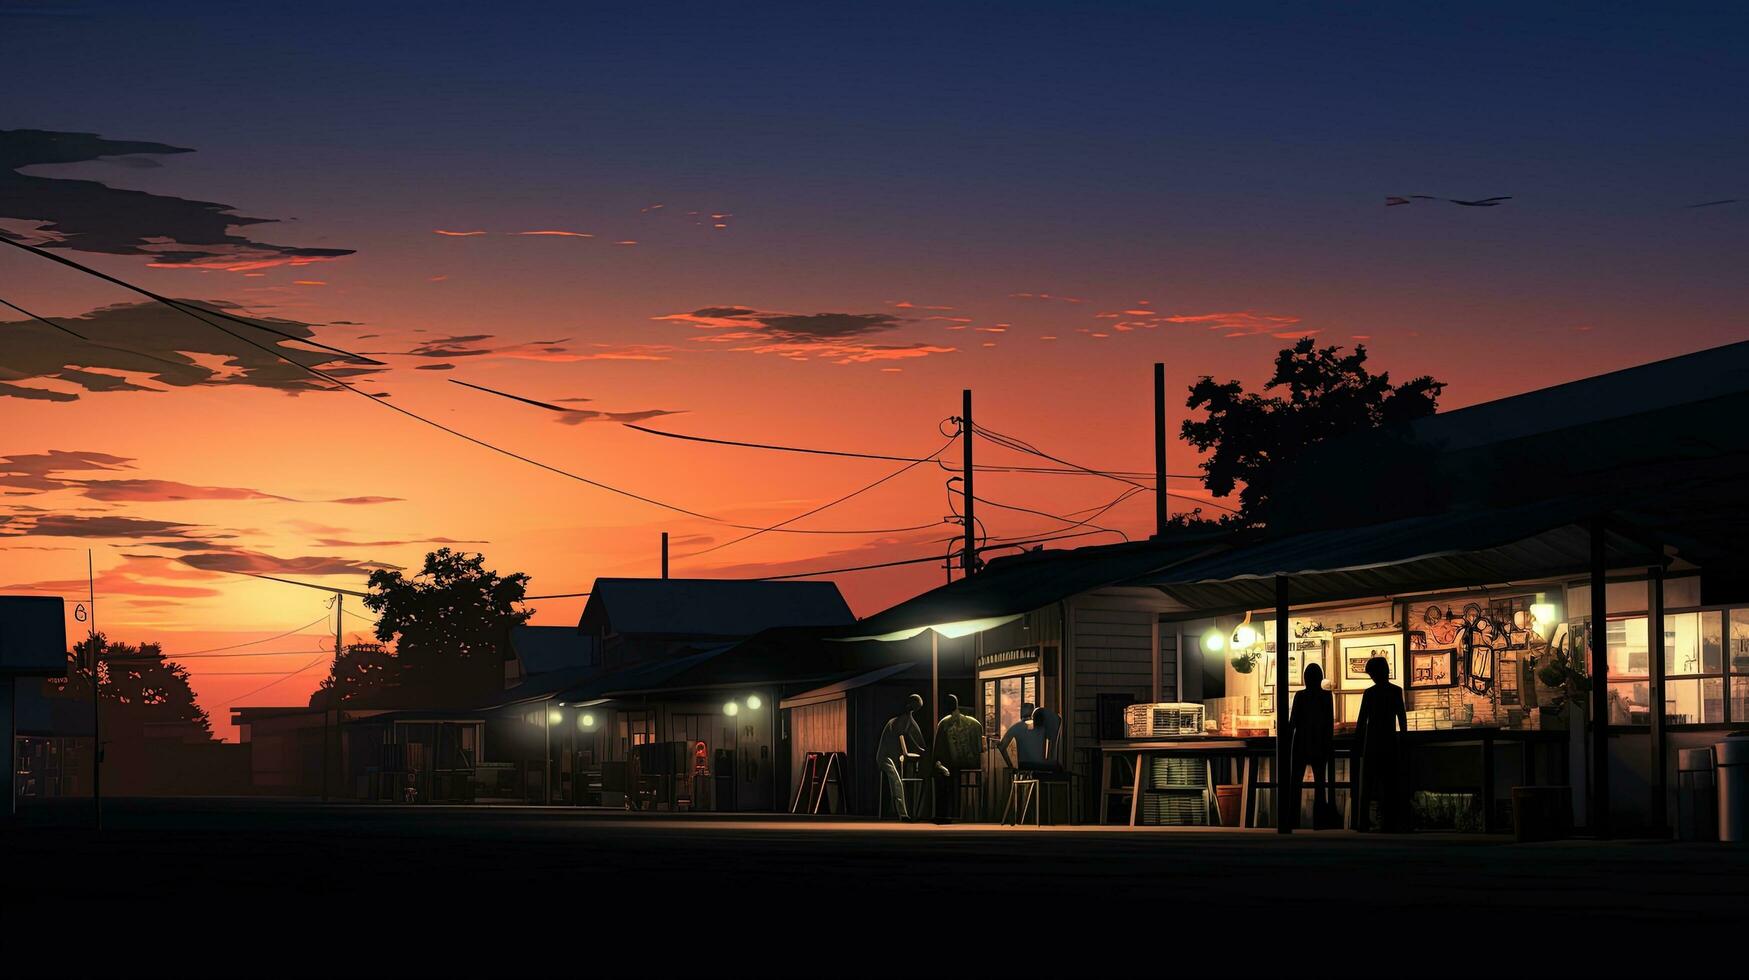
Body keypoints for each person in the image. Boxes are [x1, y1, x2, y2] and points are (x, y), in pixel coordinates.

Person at [1354, 655, 1408, 832]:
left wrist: (1358, 741)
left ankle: (1363, 823)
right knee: (1389, 784)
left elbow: (1362, 720)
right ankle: (1390, 822)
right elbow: (1402, 717)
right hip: (1389, 740)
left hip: (1372, 742)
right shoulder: (1395, 691)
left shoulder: (1370, 693)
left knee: (1367, 784)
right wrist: (1404, 736)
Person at [1287, 661, 1335, 829]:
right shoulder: (1327, 696)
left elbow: (1292, 722)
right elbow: (1329, 724)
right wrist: (1329, 744)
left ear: (1305, 678)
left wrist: (1285, 740)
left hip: (1300, 743)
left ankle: (1293, 820)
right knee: (1320, 784)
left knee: (1295, 784)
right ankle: (1320, 822)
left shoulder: (1300, 696)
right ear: (1320, 678)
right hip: (1320, 743)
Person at [927, 693, 985, 823]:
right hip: (973, 764)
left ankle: (943, 814)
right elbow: (981, 748)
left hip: (953, 765)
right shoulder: (975, 723)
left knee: (939, 772)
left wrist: (935, 765)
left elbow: (938, 751)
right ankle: (976, 813)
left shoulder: (944, 723)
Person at [876, 694, 927, 821]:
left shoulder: (908, 720)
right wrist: (919, 749)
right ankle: (903, 814)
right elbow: (904, 735)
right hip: (886, 757)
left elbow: (915, 736)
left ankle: (915, 811)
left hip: (897, 757)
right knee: (897, 781)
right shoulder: (896, 722)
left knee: (903, 779)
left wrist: (922, 749)